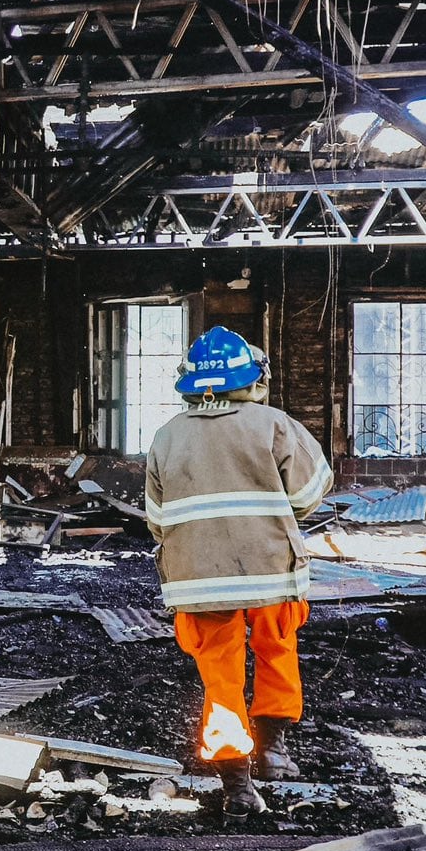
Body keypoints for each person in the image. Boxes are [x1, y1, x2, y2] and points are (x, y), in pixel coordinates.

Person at [145, 326, 333, 819]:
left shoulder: (166, 437)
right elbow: (310, 494)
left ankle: (237, 784)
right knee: (276, 650)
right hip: (271, 572)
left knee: (220, 674)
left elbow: (157, 519)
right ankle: (273, 750)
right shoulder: (274, 425)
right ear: (252, 378)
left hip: (198, 581)